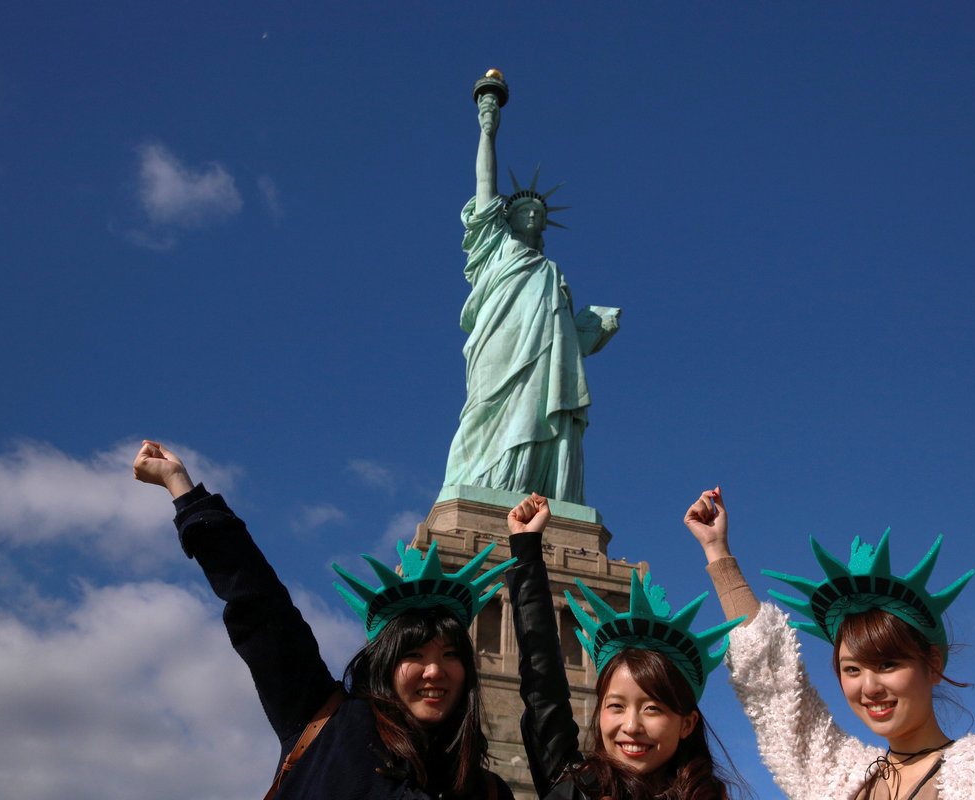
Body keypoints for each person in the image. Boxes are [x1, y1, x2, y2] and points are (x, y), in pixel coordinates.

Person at [133, 440, 515, 800]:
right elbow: (260, 607)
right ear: (384, 664)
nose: (435, 670)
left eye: (450, 655)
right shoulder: (327, 721)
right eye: (413, 654)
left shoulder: (488, 792)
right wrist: (184, 491)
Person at [684, 488, 975, 800]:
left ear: (933, 664)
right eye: (852, 669)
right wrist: (717, 552)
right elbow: (774, 690)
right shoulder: (842, 778)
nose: (869, 687)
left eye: (887, 664)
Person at [504, 493, 745, 800]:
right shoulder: (577, 789)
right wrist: (526, 552)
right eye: (616, 706)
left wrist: (718, 552)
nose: (631, 726)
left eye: (652, 708)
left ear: (687, 723)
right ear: (599, 711)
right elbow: (542, 682)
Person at [442, 89, 619, 505]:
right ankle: (482, 488)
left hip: (545, 358)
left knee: (540, 410)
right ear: (507, 217)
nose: (534, 217)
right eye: (525, 211)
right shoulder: (494, 248)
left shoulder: (550, 270)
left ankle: (534, 492)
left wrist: (591, 329)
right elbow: (486, 183)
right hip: (498, 345)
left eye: (539, 214)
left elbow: (562, 336)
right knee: (484, 411)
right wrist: (488, 129)